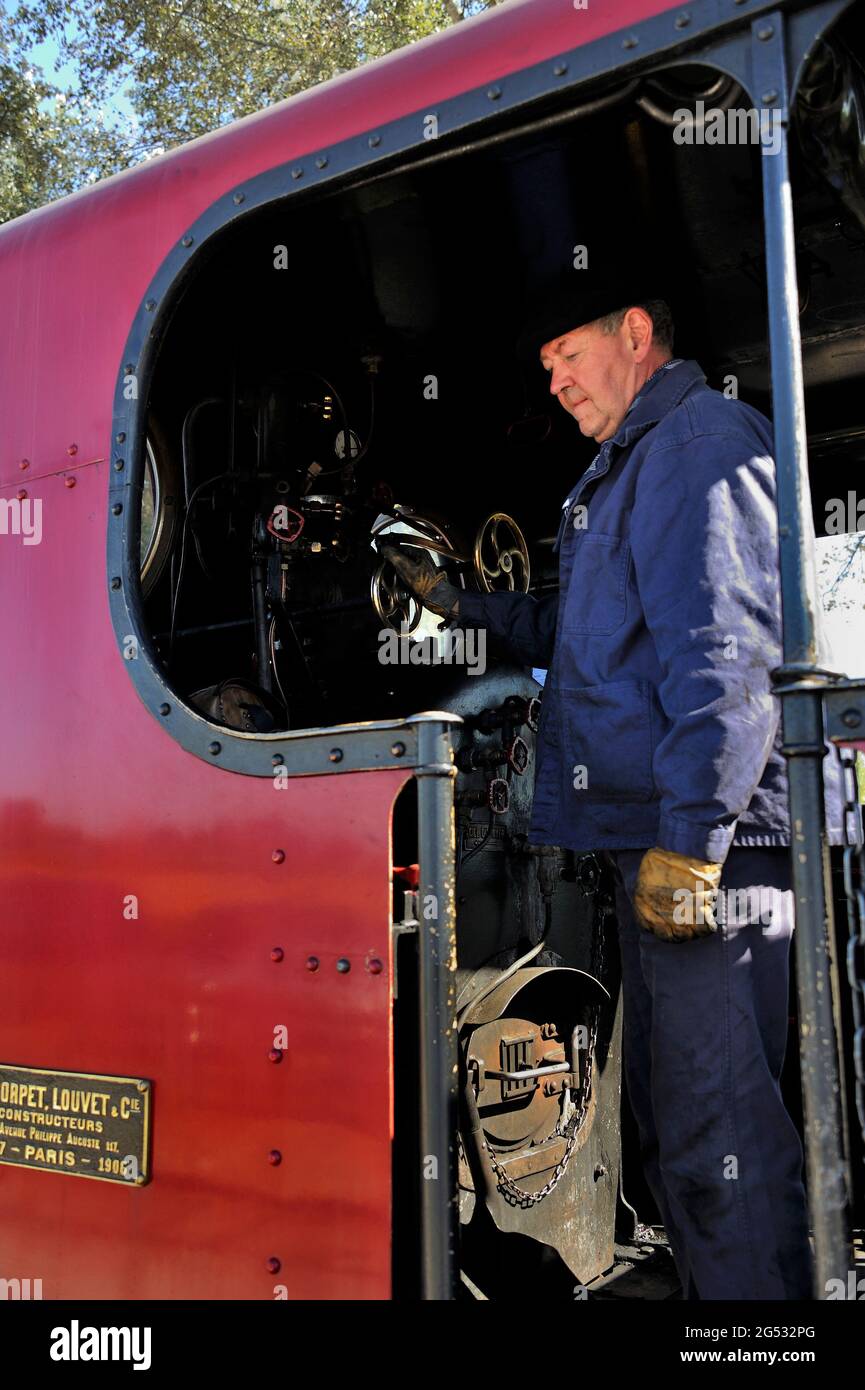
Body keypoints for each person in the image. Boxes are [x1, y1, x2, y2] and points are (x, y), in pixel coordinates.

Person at [382, 272, 847, 1300]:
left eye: (566, 355)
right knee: (683, 1131)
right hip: (675, 853)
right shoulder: (631, 469)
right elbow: (576, 638)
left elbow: (724, 653)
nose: (553, 381)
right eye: (544, 367)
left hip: (710, 862)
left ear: (634, 332)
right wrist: (458, 600)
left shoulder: (694, 443)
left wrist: (691, 842)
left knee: (715, 1139)